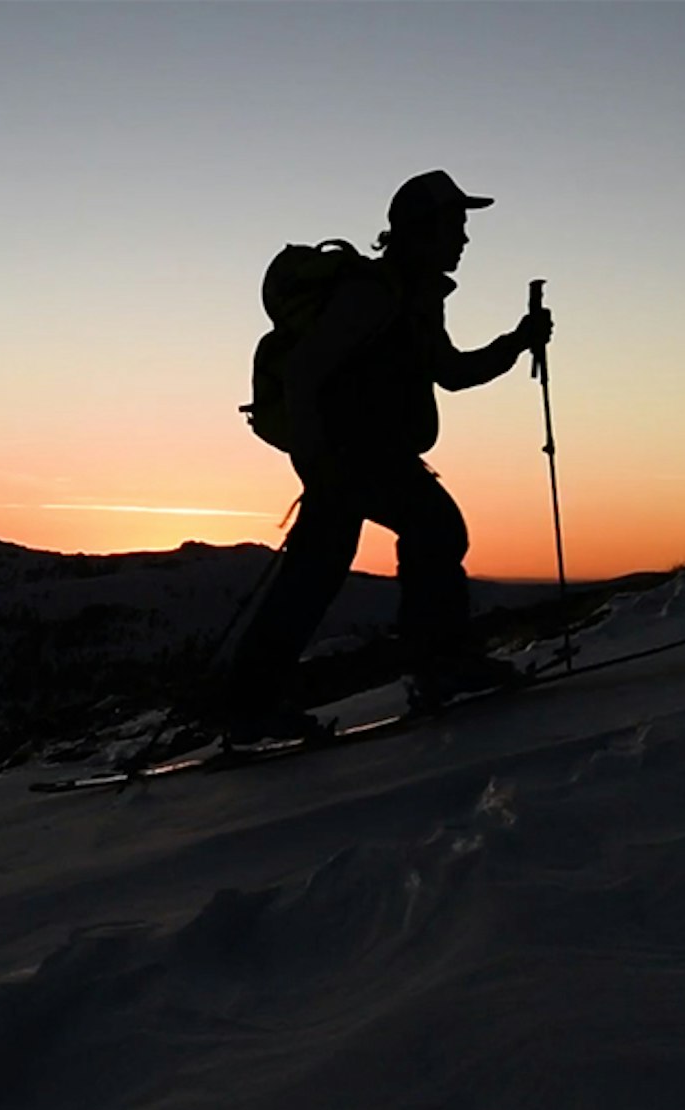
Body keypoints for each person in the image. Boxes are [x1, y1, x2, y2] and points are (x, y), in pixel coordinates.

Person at [223, 169, 553, 740]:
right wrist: (318, 463)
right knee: (432, 531)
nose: (465, 239)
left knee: (322, 571)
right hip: (351, 458)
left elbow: (448, 373)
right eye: (457, 225)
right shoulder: (374, 294)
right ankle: (439, 667)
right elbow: (303, 374)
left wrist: (516, 341)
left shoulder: (415, 297)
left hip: (362, 457)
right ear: (423, 229)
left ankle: (249, 706)